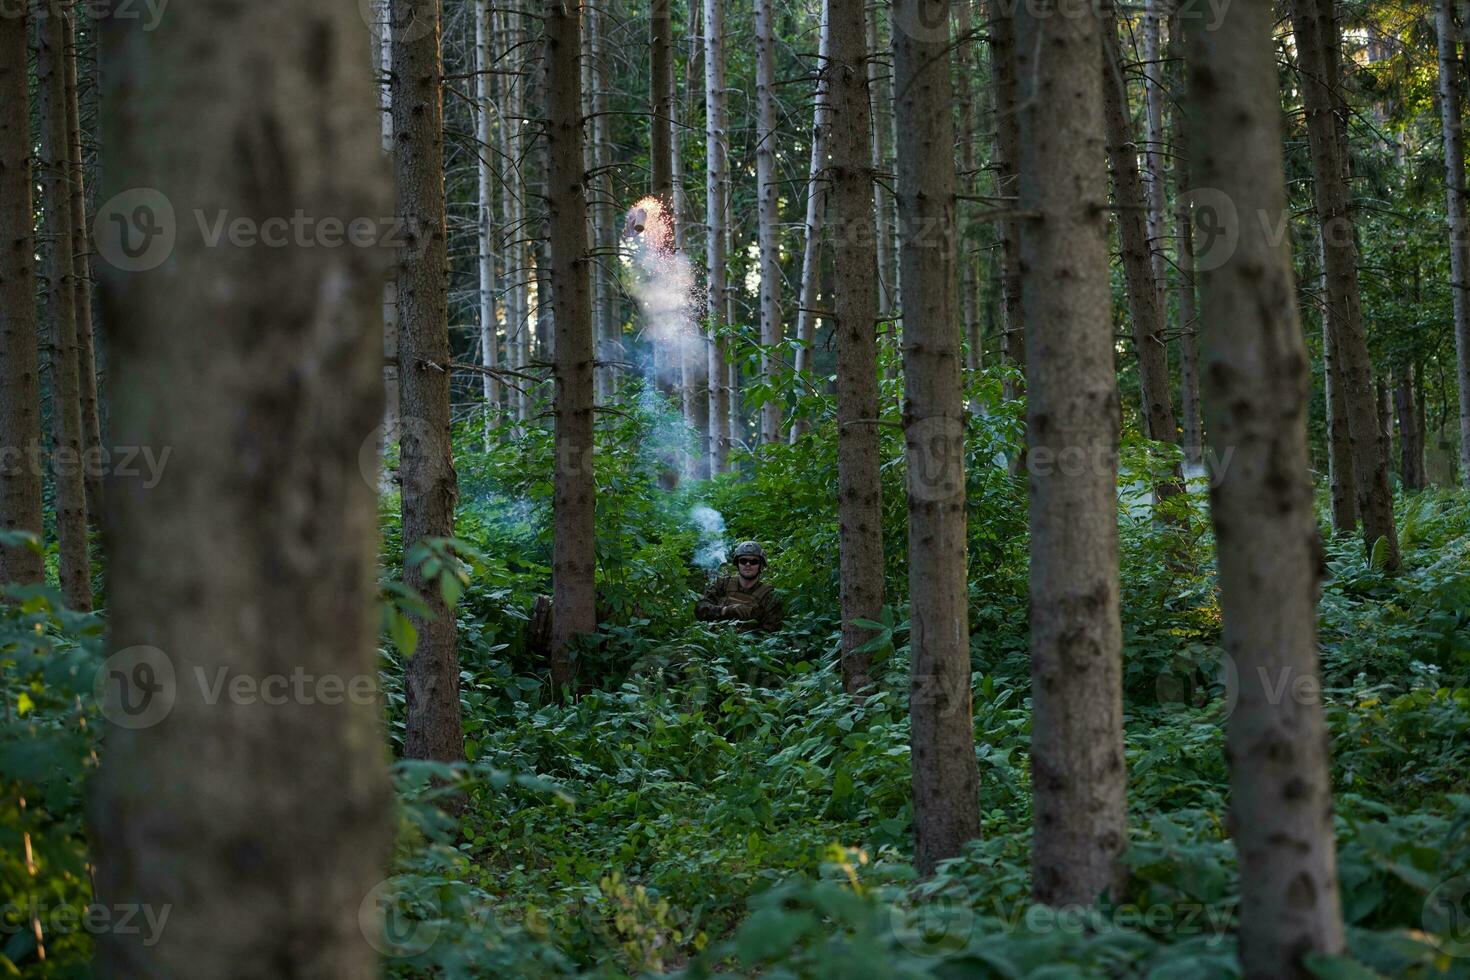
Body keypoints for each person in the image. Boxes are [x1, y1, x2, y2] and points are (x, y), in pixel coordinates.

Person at [695, 541, 784, 633]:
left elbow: (771, 632)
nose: (748, 564)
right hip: (716, 640)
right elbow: (700, 609)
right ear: (737, 564)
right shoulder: (722, 584)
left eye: (754, 561)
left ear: (761, 565)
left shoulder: (768, 596)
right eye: (743, 561)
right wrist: (725, 610)